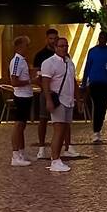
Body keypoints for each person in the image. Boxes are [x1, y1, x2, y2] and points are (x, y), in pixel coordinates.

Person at [39, 35, 78, 171]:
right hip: (58, 100)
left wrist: (77, 98)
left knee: (64, 130)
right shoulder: (49, 63)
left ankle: (58, 156)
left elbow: (72, 81)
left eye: (66, 46)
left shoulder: (69, 62)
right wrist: (49, 100)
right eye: (61, 46)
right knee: (58, 129)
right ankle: (55, 159)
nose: (64, 48)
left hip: (68, 100)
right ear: (55, 47)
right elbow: (45, 83)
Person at [83, 30, 107, 143]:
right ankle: (96, 131)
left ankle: (98, 128)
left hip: (106, 82)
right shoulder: (93, 51)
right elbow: (88, 67)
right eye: (101, 38)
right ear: (99, 38)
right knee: (97, 105)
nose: (102, 40)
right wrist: (84, 82)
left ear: (106, 39)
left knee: (102, 106)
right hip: (95, 82)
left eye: (104, 38)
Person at [32, 28, 59, 160]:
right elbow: (36, 76)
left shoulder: (62, 54)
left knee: (62, 121)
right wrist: (45, 88)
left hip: (60, 93)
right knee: (43, 119)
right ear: (46, 39)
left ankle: (66, 147)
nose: (53, 41)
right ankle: (41, 148)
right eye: (51, 38)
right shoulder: (40, 55)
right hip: (46, 92)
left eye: (55, 38)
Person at [8, 35, 35, 166]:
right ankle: (15, 155)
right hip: (21, 97)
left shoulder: (23, 60)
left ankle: (22, 152)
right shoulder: (17, 61)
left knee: (22, 126)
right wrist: (30, 81)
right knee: (18, 125)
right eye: (26, 45)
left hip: (27, 95)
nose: (28, 48)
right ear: (19, 46)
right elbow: (14, 81)